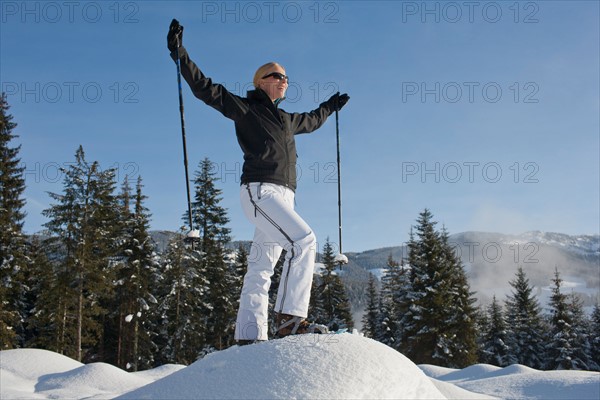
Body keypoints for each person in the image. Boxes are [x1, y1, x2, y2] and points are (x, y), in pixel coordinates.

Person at [167, 19, 349, 343]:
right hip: (260, 193)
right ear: (262, 81)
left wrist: (330, 107)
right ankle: (290, 321)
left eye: (287, 78)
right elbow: (205, 89)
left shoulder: (287, 120)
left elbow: (313, 119)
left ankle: (249, 337)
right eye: (277, 76)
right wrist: (180, 53)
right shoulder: (247, 109)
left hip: (284, 197)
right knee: (304, 241)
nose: (284, 81)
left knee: (260, 270)